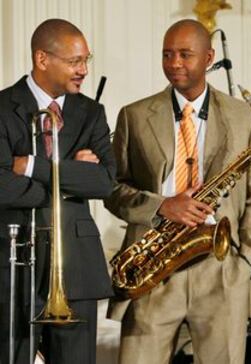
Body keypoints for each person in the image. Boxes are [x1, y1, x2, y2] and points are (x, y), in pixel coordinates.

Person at [104, 19, 251, 364]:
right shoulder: (132, 116)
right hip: (152, 264)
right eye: (167, 54)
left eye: (184, 54)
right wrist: (161, 206)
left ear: (209, 57)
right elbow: (112, 189)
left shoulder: (245, 118)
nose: (174, 63)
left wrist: (248, 261)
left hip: (221, 265)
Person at [0, 19, 115, 364]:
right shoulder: (3, 107)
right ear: (42, 58)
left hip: (77, 268)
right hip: (11, 264)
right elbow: (2, 185)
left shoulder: (92, 112)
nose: (83, 70)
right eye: (74, 61)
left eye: (86, 60)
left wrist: (33, 166)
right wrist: (71, 179)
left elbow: (105, 182)